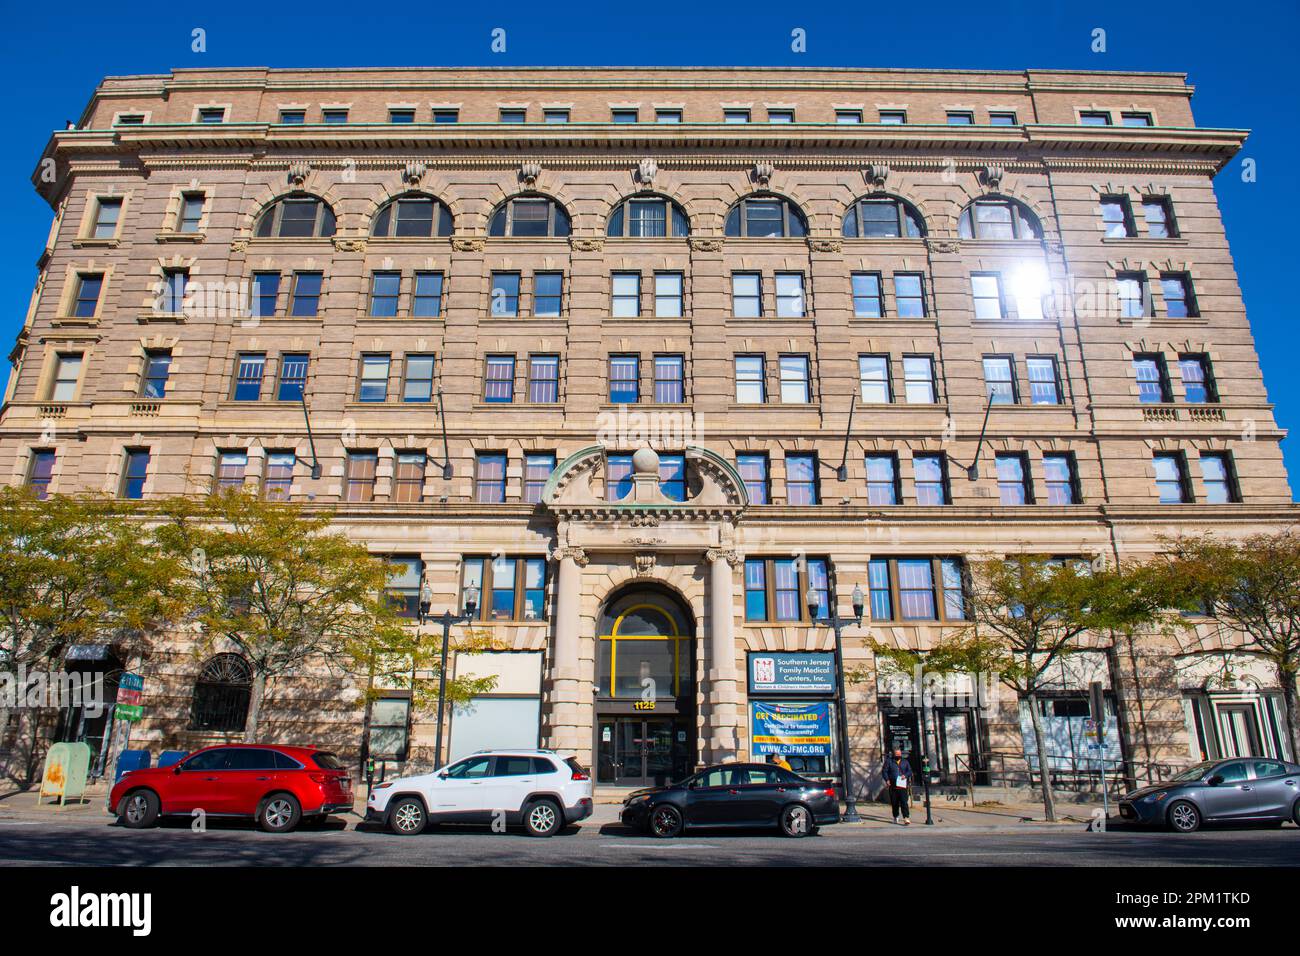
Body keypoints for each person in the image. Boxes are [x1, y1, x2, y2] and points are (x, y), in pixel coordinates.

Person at [882, 747, 913, 825]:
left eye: (899, 754)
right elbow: (884, 771)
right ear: (893, 754)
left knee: (904, 802)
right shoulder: (889, 762)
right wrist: (887, 780)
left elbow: (909, 771)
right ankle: (896, 816)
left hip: (902, 786)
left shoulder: (905, 762)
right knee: (894, 802)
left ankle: (906, 817)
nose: (898, 755)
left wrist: (905, 775)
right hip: (893, 785)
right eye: (897, 754)